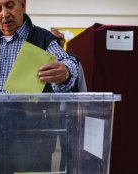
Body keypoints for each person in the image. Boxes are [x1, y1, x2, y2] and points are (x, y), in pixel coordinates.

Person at [0, 0, 79, 173]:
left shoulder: (43, 38)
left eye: (10, 5)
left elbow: (67, 61)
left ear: (23, 5)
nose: (5, 14)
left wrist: (66, 71)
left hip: (36, 133)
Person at [51, 28, 87, 173]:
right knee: (48, 149)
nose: (56, 42)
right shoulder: (40, 61)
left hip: (69, 114)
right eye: (52, 39)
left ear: (64, 41)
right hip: (47, 115)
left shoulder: (73, 60)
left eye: (59, 39)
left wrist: (83, 110)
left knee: (69, 151)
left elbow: (82, 87)